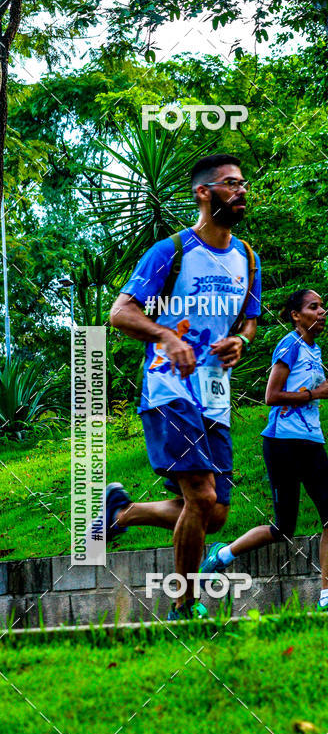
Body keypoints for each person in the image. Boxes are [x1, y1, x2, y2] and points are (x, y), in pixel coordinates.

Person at [99, 153, 261, 620]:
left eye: (243, 183)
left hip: (215, 395)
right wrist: (167, 335)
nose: (242, 191)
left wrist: (240, 342)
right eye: (231, 184)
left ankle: (123, 514)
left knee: (215, 514)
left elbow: (249, 321)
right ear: (204, 193)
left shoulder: (247, 257)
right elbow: (121, 313)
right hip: (168, 388)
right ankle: (183, 605)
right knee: (201, 496)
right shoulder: (171, 251)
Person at [198, 288, 328, 613]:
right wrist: (316, 392)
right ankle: (222, 555)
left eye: (322, 306)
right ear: (296, 315)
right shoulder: (290, 345)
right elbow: (272, 395)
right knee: (284, 528)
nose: (321, 311)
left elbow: (309, 390)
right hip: (282, 444)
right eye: (313, 307)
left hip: (312, 443)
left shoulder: (314, 349)